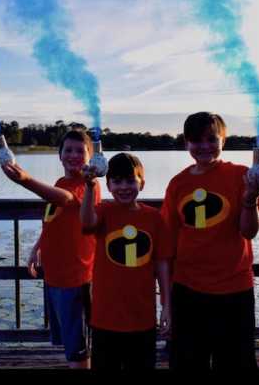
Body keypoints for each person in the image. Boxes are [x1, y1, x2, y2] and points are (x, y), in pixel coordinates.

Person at [160, 112, 259, 370]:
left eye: (211, 139)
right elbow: (167, 245)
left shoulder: (241, 175)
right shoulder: (178, 184)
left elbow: (248, 231)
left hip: (234, 289)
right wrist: (167, 302)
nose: (204, 146)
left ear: (223, 140)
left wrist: (250, 197)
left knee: (235, 363)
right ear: (186, 143)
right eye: (196, 140)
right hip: (188, 290)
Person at [0, 129, 100, 369]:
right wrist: (37, 248)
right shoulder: (61, 181)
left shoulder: (89, 185)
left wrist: (27, 180)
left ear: (90, 156)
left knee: (79, 349)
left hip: (76, 278)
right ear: (60, 155)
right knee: (70, 343)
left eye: (80, 151)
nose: (73, 155)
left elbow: (65, 199)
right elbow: (53, 220)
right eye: (68, 150)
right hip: (55, 276)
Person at [79, 153, 173, 370]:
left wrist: (166, 306)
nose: (124, 187)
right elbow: (86, 223)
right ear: (109, 185)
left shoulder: (154, 218)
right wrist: (90, 187)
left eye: (131, 180)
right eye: (117, 181)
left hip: (143, 320)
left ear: (142, 183)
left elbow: (162, 265)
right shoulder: (103, 211)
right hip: (104, 319)